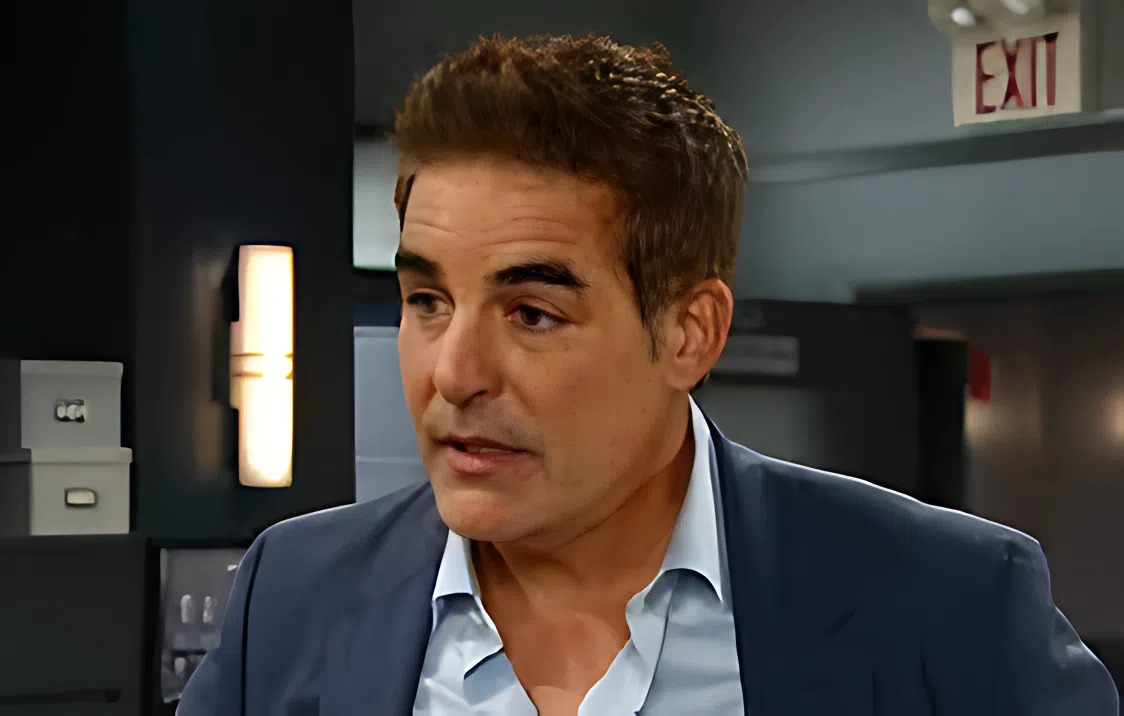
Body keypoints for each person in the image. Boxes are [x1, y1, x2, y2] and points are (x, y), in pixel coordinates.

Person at [178, 34, 1118, 716]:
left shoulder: (948, 605)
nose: (453, 373)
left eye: (532, 313)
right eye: (428, 301)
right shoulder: (293, 595)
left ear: (689, 334)